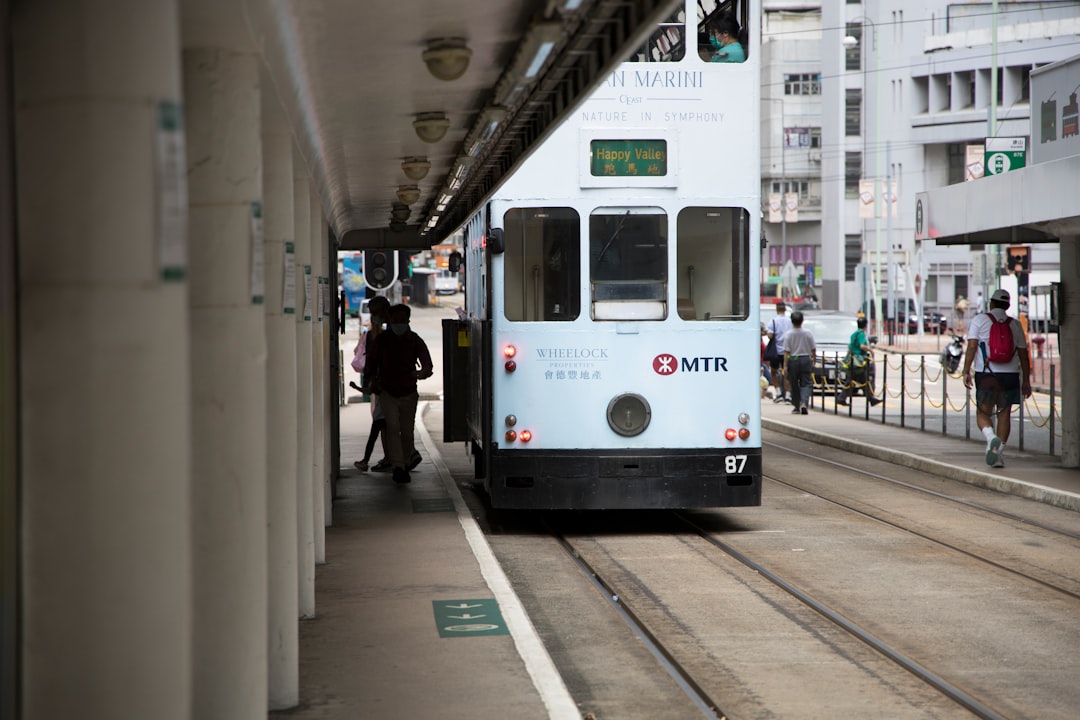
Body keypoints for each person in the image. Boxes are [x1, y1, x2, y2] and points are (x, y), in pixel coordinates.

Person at [961, 288, 1031, 468]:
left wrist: (966, 370)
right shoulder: (1015, 325)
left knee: (983, 413)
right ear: (1007, 305)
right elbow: (1024, 355)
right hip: (1010, 375)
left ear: (991, 303)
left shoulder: (980, 320)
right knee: (1004, 413)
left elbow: (972, 347)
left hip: (987, 374)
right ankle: (998, 454)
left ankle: (991, 438)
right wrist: (1026, 381)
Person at [365, 303, 434, 484]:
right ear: (390, 320)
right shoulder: (382, 340)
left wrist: (422, 373)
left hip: (409, 393)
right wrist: (369, 383)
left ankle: (405, 460)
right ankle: (399, 467)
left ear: (408, 321)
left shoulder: (414, 340)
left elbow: (427, 364)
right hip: (388, 393)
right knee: (393, 429)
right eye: (396, 320)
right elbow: (370, 363)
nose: (399, 323)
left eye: (402, 320)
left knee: (407, 433)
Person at [354, 295, 391, 472]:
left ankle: (373, 459)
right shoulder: (377, 333)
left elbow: (371, 362)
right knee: (383, 424)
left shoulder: (381, 335)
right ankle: (389, 458)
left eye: (373, 313)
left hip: (384, 385)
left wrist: (369, 381)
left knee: (380, 422)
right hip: (383, 385)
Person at [837, 316, 881, 407]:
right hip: (859, 361)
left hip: (853, 360)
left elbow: (850, 348)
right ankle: (871, 399)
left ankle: (842, 398)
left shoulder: (854, 334)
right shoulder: (861, 334)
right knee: (862, 379)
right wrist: (870, 351)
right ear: (866, 325)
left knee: (854, 380)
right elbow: (862, 346)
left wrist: (846, 359)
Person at [782, 310, 815, 415]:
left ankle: (796, 406)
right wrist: (814, 358)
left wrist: (785, 366)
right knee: (806, 382)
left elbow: (786, 352)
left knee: (794, 383)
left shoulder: (788, 334)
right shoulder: (808, 333)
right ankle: (804, 403)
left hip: (793, 359)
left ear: (792, 321)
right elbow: (813, 348)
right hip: (805, 358)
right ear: (802, 321)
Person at [767, 302, 793, 403]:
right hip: (787, 351)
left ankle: (778, 393)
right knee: (787, 373)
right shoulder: (789, 321)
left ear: (777, 310)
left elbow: (770, 335)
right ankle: (788, 396)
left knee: (773, 372)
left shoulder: (773, 321)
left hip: (776, 351)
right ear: (785, 310)